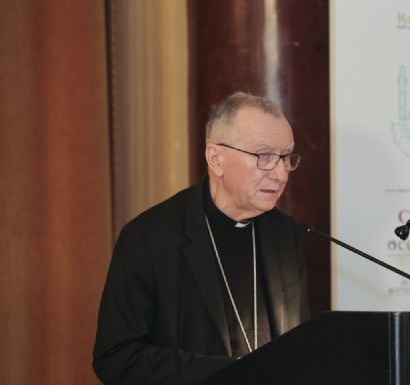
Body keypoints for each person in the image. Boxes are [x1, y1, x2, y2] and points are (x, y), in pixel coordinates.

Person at [93, 92, 310, 384]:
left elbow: (299, 342)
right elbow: (117, 358)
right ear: (216, 158)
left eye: (285, 157)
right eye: (264, 156)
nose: (281, 174)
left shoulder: (284, 233)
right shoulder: (149, 238)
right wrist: (232, 373)